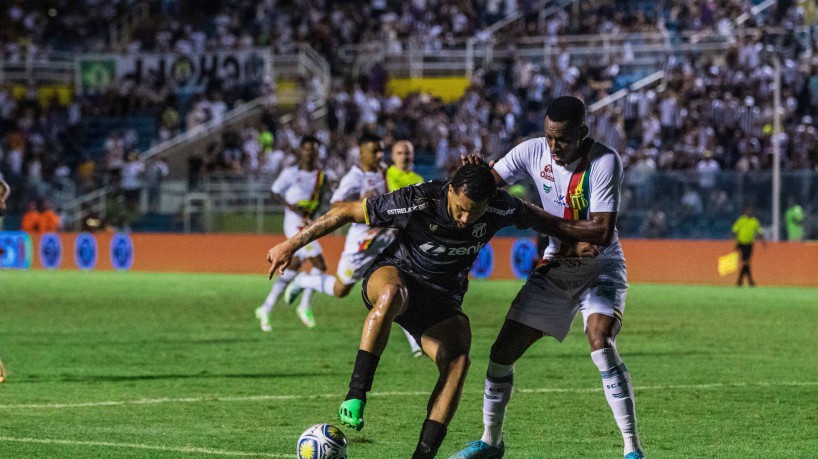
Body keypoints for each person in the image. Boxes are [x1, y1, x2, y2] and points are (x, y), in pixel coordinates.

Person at [266, 163, 579, 458]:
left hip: (441, 300)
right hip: (395, 273)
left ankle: (423, 455)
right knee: (391, 293)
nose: (465, 220)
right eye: (460, 209)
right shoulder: (417, 200)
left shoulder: (501, 206)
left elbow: (544, 220)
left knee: (459, 360)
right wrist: (291, 244)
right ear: (450, 190)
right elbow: (345, 212)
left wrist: (583, 237)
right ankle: (356, 393)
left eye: (475, 212)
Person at [453, 96, 645, 459]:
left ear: (582, 133)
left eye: (564, 140)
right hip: (558, 263)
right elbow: (487, 185)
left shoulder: (604, 161)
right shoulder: (532, 151)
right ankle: (491, 442)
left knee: (600, 342)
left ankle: (632, 449)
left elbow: (602, 232)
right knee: (501, 353)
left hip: (600, 265)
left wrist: (538, 217)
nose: (554, 147)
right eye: (550, 137)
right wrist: (475, 175)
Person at [284, 137, 425, 357]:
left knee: (399, 284)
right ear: (362, 154)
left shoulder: (383, 170)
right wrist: (360, 202)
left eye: (380, 151)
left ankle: (415, 341)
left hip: (386, 237)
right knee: (341, 289)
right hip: (361, 243)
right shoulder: (353, 178)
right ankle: (305, 280)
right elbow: (336, 206)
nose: (380, 155)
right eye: (375, 151)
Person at [255, 135, 330, 330]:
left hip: (307, 225)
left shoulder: (321, 176)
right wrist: (290, 205)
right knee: (320, 265)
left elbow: (320, 199)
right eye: (307, 149)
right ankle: (304, 306)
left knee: (292, 268)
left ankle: (266, 307)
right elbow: (274, 191)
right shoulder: (289, 173)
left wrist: (313, 216)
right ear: (300, 151)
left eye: (314, 149)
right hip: (293, 225)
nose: (310, 153)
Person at [732, 204, 765, 287]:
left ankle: (741, 281)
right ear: (745, 212)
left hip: (749, 244)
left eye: (751, 211)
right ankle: (749, 281)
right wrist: (735, 242)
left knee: (746, 262)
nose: (750, 212)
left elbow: (759, 232)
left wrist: (763, 241)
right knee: (745, 261)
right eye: (748, 211)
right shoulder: (741, 220)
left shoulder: (754, 221)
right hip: (741, 243)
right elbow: (735, 231)